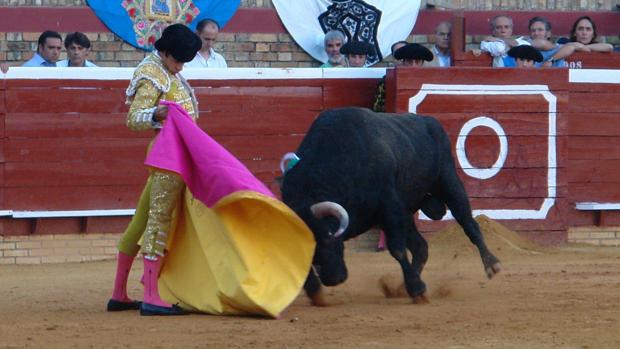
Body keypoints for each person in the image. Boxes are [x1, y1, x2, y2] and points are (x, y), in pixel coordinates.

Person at [107, 23, 202, 316]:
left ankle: (119, 294)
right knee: (158, 220)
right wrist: (157, 112)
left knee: (141, 221)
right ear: (164, 52)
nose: (180, 68)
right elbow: (134, 119)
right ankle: (151, 296)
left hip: (170, 156)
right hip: (168, 158)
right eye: (178, 61)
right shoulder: (153, 75)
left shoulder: (163, 69)